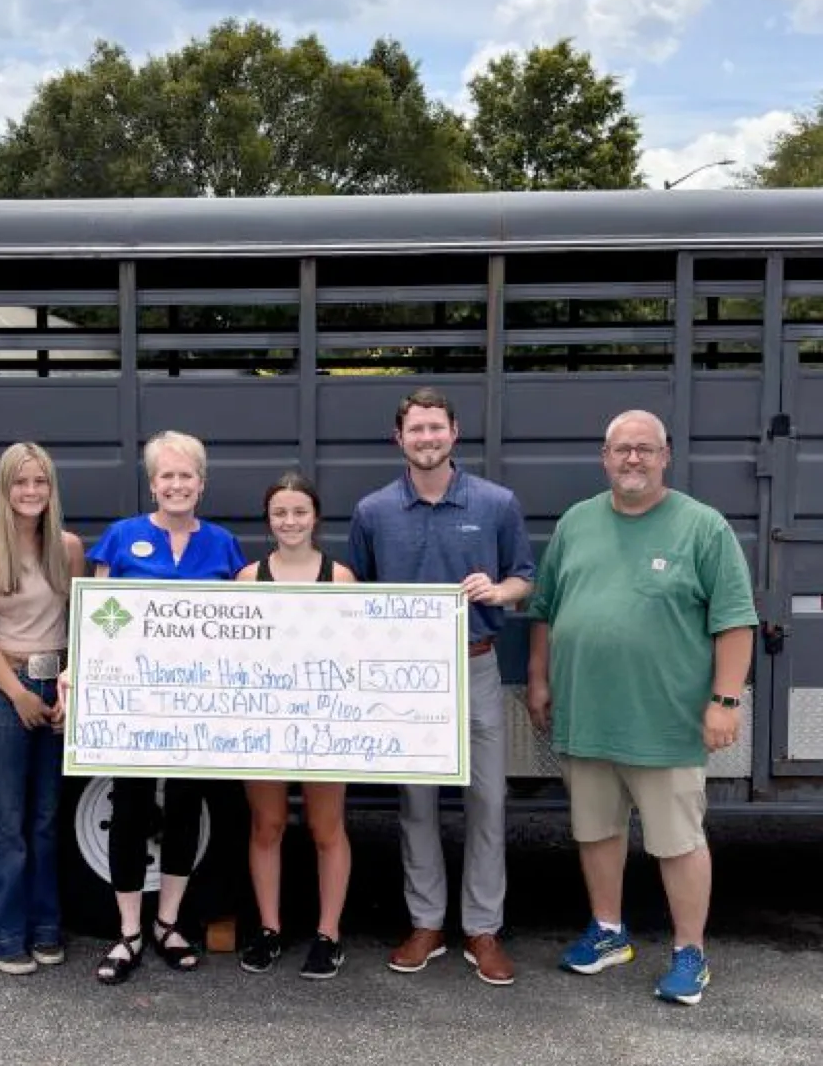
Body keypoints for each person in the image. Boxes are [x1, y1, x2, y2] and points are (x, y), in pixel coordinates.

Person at [526, 410, 757, 1006]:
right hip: (587, 715)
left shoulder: (702, 528)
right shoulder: (577, 522)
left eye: (645, 449)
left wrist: (725, 702)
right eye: (622, 449)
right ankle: (608, 933)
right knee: (596, 832)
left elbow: (735, 622)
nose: (633, 459)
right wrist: (538, 679)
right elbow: (547, 609)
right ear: (604, 457)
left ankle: (690, 953)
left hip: (667, 720)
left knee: (679, 840)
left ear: (666, 456)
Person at [348, 387, 535, 986]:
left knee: (488, 800)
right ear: (398, 438)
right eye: (415, 429)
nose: (426, 438)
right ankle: (426, 923)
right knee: (417, 804)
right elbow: (360, 597)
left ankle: (482, 928)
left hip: (475, 663)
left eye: (436, 428)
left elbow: (524, 579)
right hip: (407, 678)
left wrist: (496, 591)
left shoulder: (496, 502)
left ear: (454, 432)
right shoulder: (372, 511)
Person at [85, 430, 247, 984]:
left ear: (201, 484)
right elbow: (97, 618)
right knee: (130, 807)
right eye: (166, 476)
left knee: (184, 806)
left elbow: (245, 627)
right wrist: (79, 673)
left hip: (198, 703)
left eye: (186, 476)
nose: (176, 485)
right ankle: (128, 931)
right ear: (152, 483)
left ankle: (168, 924)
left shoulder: (223, 545)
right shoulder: (121, 538)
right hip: (133, 701)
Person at [0, 443, 85, 976]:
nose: (31, 492)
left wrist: (66, 690)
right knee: (5, 821)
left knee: (45, 819)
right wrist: (17, 695)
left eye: (40, 482)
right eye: (20, 483)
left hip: (54, 681)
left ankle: (44, 928)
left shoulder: (69, 547)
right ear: (4, 488)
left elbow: (80, 622)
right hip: (3, 687)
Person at [236, 472, 357, 981]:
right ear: (269, 520)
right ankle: (270, 928)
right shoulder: (248, 578)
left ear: (315, 518)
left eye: (299, 512)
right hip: (265, 721)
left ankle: (328, 934)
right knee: (267, 826)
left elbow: (355, 654)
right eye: (280, 513)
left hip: (323, 722)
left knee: (326, 828)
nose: (290, 521)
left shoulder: (340, 577)